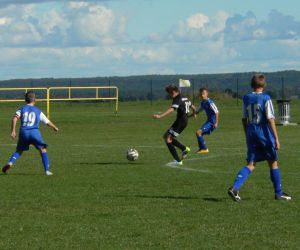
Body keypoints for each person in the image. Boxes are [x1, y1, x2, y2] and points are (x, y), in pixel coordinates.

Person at [228, 74, 292, 201]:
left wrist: (247, 135)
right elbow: (270, 119)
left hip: (251, 132)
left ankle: (235, 188)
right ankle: (278, 193)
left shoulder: (246, 98)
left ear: (252, 85)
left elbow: (244, 119)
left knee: (251, 163)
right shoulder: (266, 98)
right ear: (264, 85)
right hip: (263, 133)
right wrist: (277, 139)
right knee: (273, 162)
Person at [2, 91, 59, 176]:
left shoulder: (22, 109)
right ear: (35, 100)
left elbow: (14, 119)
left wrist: (13, 131)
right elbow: (47, 122)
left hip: (23, 133)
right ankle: (47, 170)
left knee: (19, 151)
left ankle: (10, 163)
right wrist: (55, 127)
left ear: (25, 100)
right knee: (42, 149)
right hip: (35, 133)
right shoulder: (38, 111)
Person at [153, 85, 196, 166]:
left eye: (171, 93)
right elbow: (193, 107)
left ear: (176, 92)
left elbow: (172, 109)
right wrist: (194, 114)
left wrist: (160, 116)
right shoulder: (185, 97)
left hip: (180, 122)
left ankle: (178, 161)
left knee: (168, 139)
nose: (171, 95)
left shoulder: (177, 99)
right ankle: (184, 149)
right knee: (166, 136)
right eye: (170, 93)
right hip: (182, 121)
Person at [195, 88, 219, 153]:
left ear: (207, 94)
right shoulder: (203, 103)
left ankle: (204, 149)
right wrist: (189, 116)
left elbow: (216, 112)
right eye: (201, 94)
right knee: (199, 133)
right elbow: (198, 111)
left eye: (203, 94)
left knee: (198, 132)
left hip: (212, 123)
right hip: (208, 122)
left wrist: (216, 123)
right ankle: (202, 148)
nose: (202, 95)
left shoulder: (210, 102)